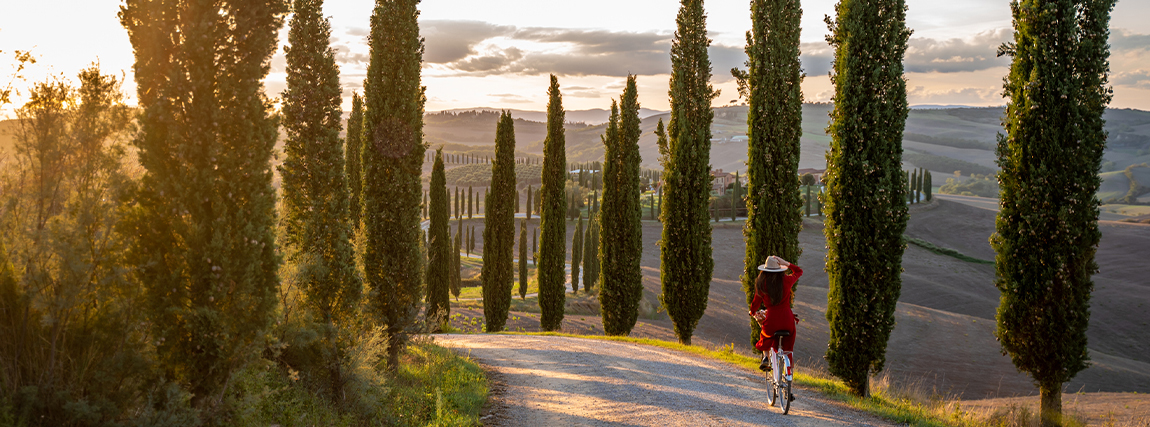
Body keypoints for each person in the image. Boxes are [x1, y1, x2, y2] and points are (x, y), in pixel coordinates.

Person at [749, 255, 803, 372]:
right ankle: (788, 372)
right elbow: (799, 271)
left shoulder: (761, 284)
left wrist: (752, 312)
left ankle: (766, 357)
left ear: (765, 270)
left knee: (765, 334)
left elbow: (755, 303)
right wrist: (787, 263)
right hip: (787, 320)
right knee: (788, 345)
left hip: (772, 320)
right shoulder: (787, 280)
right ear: (780, 270)